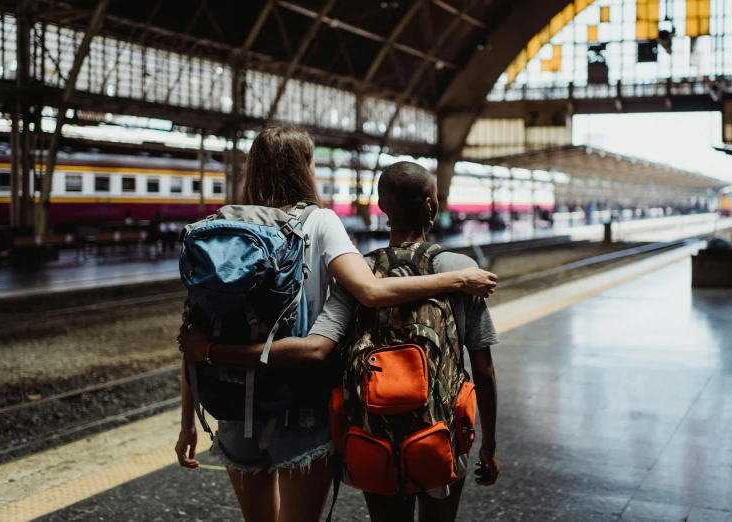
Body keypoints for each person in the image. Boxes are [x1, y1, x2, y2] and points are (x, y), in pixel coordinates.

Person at [175, 127, 497, 522]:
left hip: (231, 410)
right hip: (300, 410)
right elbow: (370, 292)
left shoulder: (219, 230)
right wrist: (458, 280)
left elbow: (192, 336)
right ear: (304, 168)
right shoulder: (319, 221)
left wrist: (187, 422)